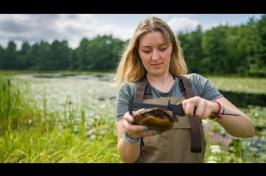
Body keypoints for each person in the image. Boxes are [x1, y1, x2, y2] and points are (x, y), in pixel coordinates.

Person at [112, 16, 255, 163]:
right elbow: (127, 159)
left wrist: (215, 108)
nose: (155, 57)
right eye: (147, 50)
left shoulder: (196, 83)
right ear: (138, 53)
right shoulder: (128, 91)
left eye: (162, 48)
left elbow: (247, 130)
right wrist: (131, 135)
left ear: (172, 48)